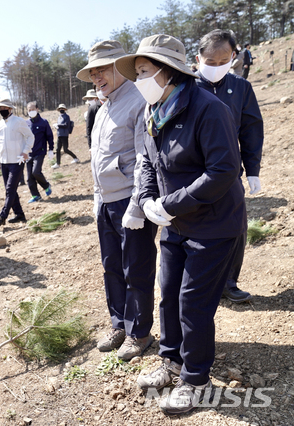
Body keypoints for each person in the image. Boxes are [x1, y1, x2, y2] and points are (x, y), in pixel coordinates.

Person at [115, 34, 246, 414]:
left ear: (168, 71)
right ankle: (171, 361)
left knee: (194, 303)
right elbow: (145, 160)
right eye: (136, 72)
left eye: (143, 72)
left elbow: (223, 170)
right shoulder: (151, 110)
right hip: (175, 222)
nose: (138, 80)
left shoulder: (208, 108)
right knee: (169, 293)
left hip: (214, 224)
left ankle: (196, 380)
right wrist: (145, 200)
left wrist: (171, 204)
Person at [76, 40, 158, 361]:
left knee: (136, 267)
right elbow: (99, 158)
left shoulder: (138, 101)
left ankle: (139, 333)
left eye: (103, 70)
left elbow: (143, 159)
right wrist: (97, 200)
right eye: (93, 72)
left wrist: (137, 207)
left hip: (129, 202)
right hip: (105, 202)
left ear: (119, 67)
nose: (96, 76)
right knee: (112, 266)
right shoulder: (102, 107)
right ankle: (119, 324)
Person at [195, 29, 264, 303]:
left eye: (222, 62)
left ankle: (229, 282)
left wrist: (254, 169)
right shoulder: (187, 87)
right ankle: (201, 285)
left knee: (235, 229)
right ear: (198, 58)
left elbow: (250, 130)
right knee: (196, 232)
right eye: (209, 63)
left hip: (228, 174)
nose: (215, 68)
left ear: (233, 57)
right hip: (193, 174)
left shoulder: (241, 88)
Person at [0, 99, 34, 226]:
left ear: (10, 109)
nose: (2, 110)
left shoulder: (19, 121)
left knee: (10, 189)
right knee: (10, 189)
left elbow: (30, 136)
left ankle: (2, 216)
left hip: (17, 160)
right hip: (4, 162)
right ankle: (19, 214)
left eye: (4, 108)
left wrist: (26, 151)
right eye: (0, 108)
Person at [25, 101, 54, 203]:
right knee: (29, 178)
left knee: (36, 171)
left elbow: (49, 136)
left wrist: (51, 149)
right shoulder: (26, 123)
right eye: (29, 110)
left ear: (37, 109)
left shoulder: (44, 122)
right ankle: (36, 195)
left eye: (33, 109)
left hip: (40, 152)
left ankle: (46, 185)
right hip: (28, 153)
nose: (31, 111)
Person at [51, 103, 79, 169]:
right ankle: (57, 163)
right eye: (60, 109)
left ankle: (75, 158)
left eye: (62, 108)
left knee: (65, 149)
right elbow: (60, 125)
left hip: (64, 135)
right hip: (59, 134)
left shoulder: (67, 116)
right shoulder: (59, 117)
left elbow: (66, 125)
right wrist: (57, 127)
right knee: (58, 149)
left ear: (65, 109)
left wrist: (58, 125)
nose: (61, 109)